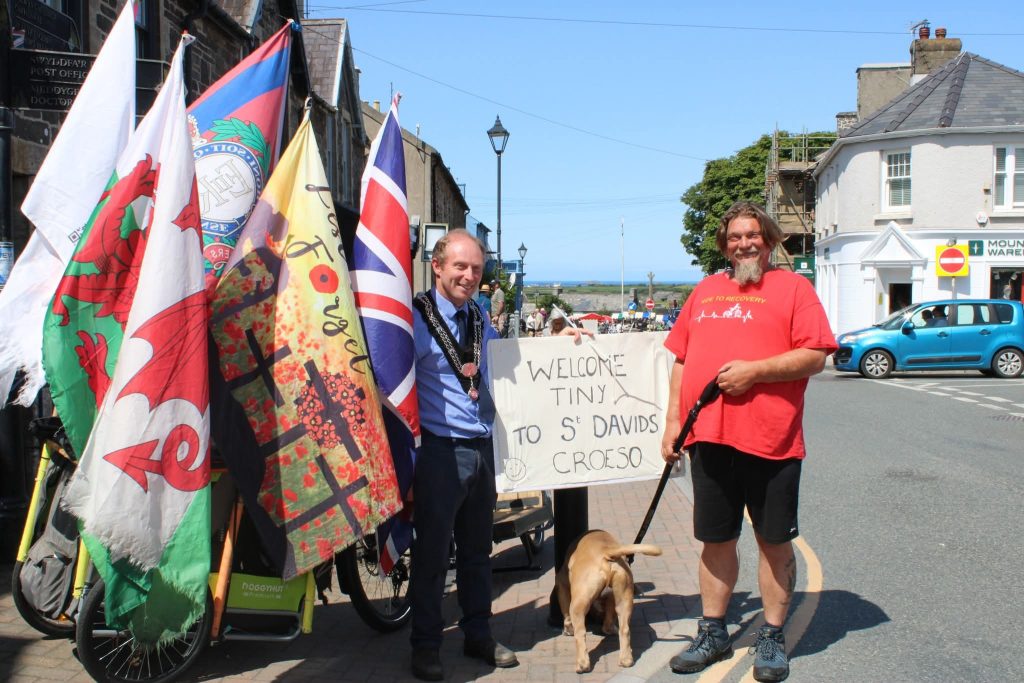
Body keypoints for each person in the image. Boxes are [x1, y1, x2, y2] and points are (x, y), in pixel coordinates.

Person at [660, 201, 836, 683]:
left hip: (771, 441)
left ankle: (772, 635)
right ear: (725, 246)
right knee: (715, 540)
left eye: (753, 235)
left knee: (773, 542)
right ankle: (713, 632)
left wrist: (755, 372)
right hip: (709, 438)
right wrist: (673, 421)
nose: (744, 244)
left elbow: (815, 355)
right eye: (735, 237)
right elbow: (681, 359)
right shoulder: (705, 291)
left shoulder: (794, 289)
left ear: (770, 240)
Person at [408, 230, 586, 680]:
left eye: (476, 268)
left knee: (476, 552)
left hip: (481, 448)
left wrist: (559, 341)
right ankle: (426, 645)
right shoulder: (413, 318)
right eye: (460, 267)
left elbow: (511, 360)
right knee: (432, 555)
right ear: (437, 266)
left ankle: (478, 635)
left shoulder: (477, 317)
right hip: (439, 450)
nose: (469, 276)